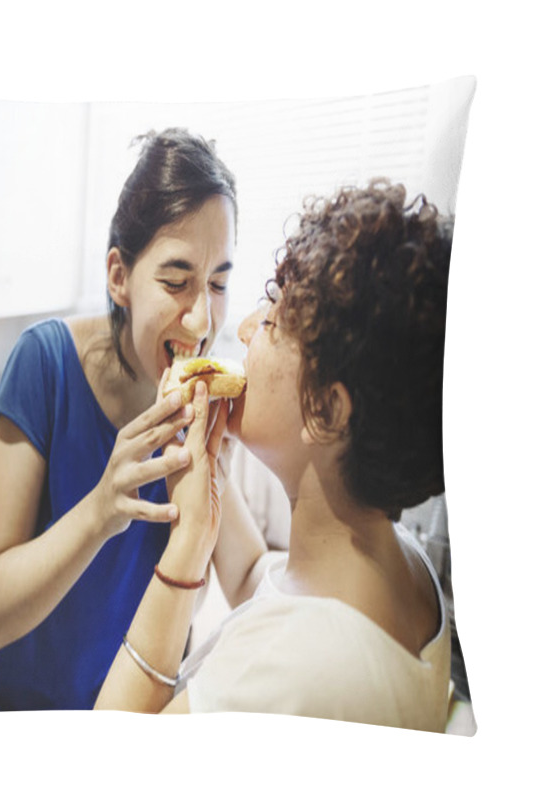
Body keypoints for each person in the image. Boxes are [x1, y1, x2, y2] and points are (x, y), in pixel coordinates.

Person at [95, 180, 454, 732]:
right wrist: (208, 488)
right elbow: (258, 578)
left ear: (328, 412)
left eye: (271, 322)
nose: (236, 328)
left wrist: (185, 552)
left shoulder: (281, 673)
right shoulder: (405, 569)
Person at [0, 128, 272, 712]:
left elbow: (249, 568)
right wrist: (103, 508)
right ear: (119, 277)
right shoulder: (44, 364)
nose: (203, 317)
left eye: (219, 283)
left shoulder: (194, 405)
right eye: (177, 282)